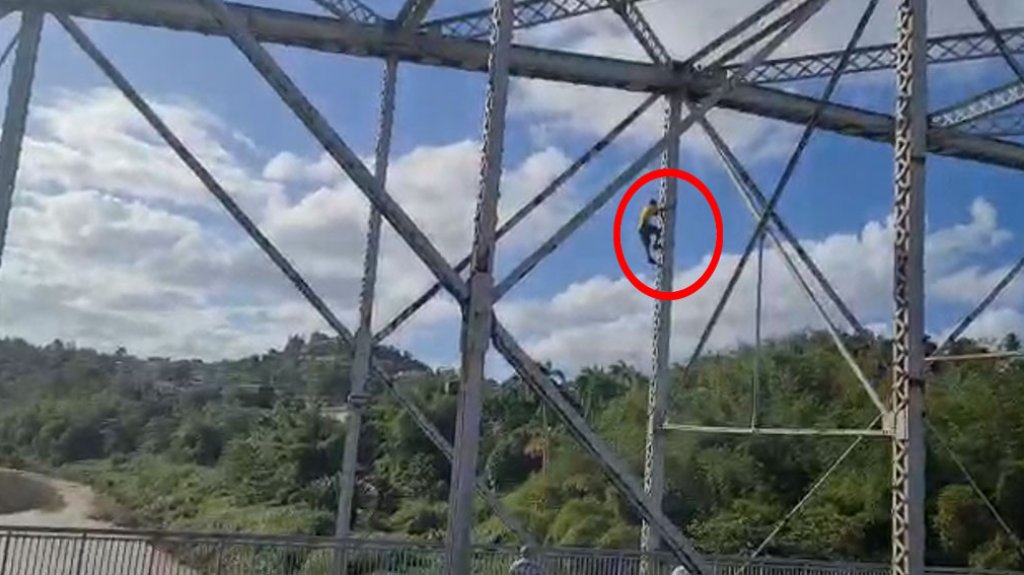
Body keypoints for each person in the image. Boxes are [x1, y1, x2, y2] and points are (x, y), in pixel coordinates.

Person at [638, 198, 664, 265]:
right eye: (655, 205)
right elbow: (656, 211)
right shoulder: (650, 208)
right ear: (653, 204)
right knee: (658, 231)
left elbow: (654, 213)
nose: (656, 206)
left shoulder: (646, 209)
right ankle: (655, 245)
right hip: (645, 227)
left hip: (640, 229)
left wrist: (658, 211)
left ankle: (649, 257)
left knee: (647, 243)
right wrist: (662, 209)